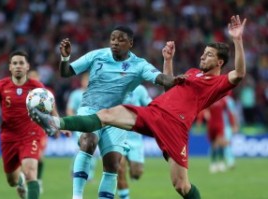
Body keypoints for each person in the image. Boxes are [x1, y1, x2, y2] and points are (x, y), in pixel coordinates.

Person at [29, 15, 246, 199]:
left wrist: (237, 41)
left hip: (175, 127)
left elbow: (239, 74)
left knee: (181, 185)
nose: (202, 56)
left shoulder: (218, 83)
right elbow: (169, 91)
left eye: (208, 54)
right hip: (154, 112)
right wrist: (168, 61)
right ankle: (55, 122)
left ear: (219, 62)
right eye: (204, 52)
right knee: (105, 114)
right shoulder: (191, 72)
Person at [46, 25, 183, 199]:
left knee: (112, 164)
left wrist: (175, 79)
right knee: (88, 141)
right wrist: (65, 57)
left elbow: (161, 79)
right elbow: (66, 72)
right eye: (113, 39)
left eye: (120, 39)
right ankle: (77, 196)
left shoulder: (139, 65)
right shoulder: (97, 56)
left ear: (131, 43)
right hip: (91, 109)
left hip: (117, 117)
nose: (115, 43)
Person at [0, 50, 58, 199]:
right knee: (11, 180)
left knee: (31, 172)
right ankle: (19, 181)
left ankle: (27, 181)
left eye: (21, 63)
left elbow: (50, 105)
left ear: (27, 67)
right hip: (8, 136)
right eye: (15, 63)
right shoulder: (0, 86)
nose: (18, 66)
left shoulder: (36, 86)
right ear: (10, 67)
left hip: (30, 134)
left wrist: (58, 124)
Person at [117, 84, 152, 199]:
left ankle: (131, 166)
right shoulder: (113, 86)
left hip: (135, 138)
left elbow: (151, 108)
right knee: (119, 169)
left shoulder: (140, 89)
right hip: (117, 136)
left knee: (137, 174)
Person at [66, 72, 98, 182]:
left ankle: (89, 175)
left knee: (93, 152)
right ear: (82, 81)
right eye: (86, 80)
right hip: (80, 126)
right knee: (83, 149)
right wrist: (73, 122)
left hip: (94, 126)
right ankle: (75, 171)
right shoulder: (76, 94)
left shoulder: (97, 95)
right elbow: (70, 109)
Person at [196, 94, 237, 173]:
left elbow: (229, 113)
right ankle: (213, 163)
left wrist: (233, 124)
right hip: (211, 125)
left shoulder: (223, 100)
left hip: (220, 125)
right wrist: (199, 122)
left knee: (220, 143)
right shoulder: (210, 99)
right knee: (213, 145)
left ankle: (220, 162)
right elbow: (203, 110)